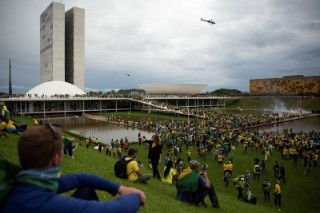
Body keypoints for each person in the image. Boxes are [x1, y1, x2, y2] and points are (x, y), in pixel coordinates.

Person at [1, 124, 146, 213]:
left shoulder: (24, 182)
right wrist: (136, 196)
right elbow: (118, 209)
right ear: (56, 159)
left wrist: (120, 188)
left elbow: (82, 177)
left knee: (86, 188)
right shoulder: (44, 204)